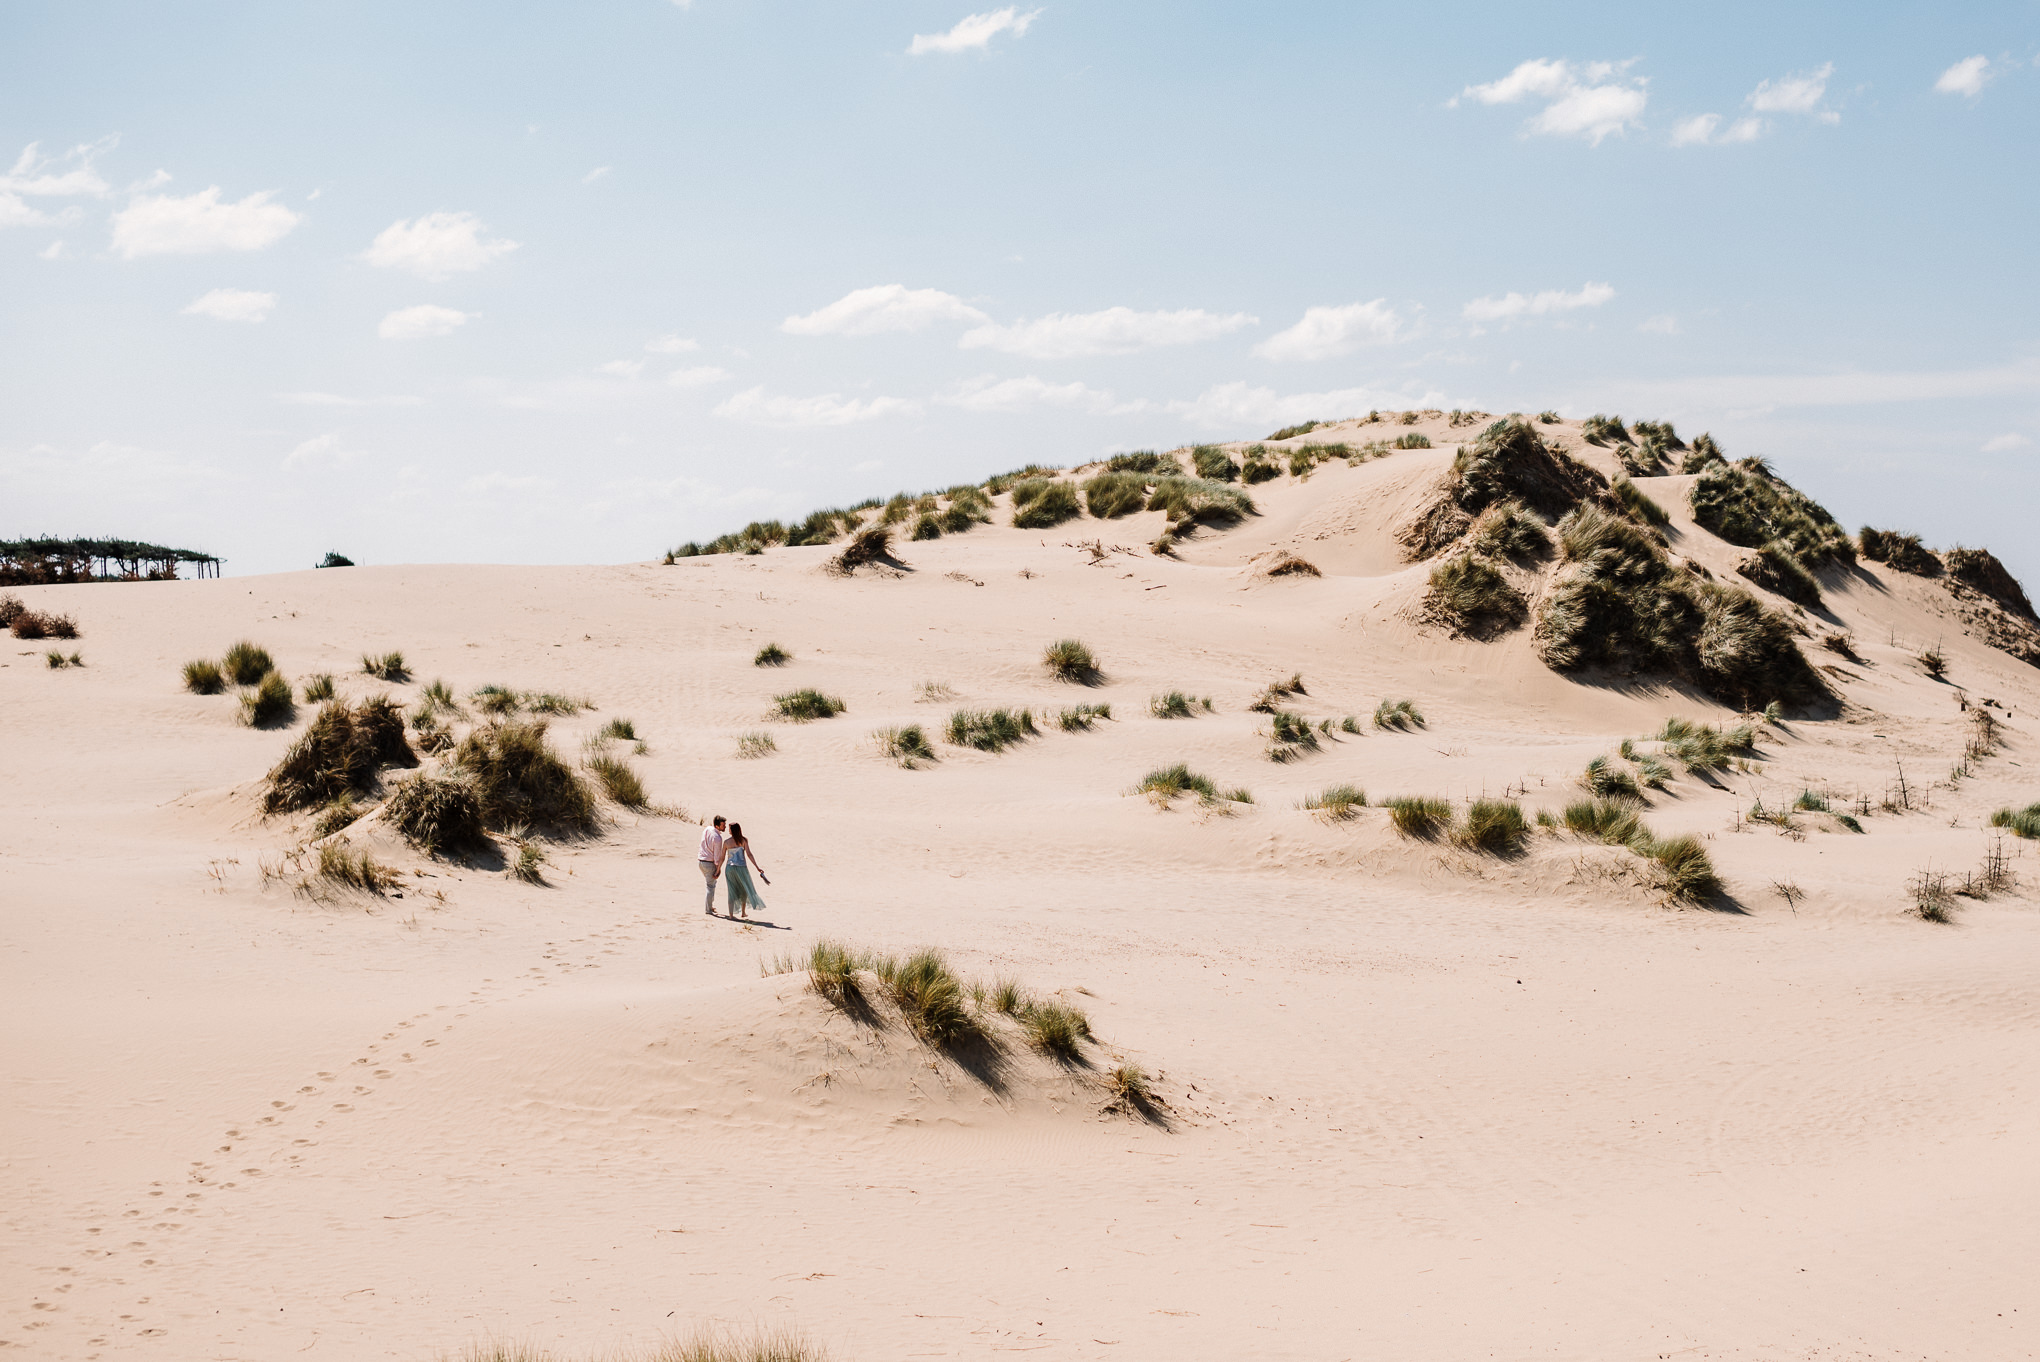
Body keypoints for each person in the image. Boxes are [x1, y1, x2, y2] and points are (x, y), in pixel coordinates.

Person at [717, 821, 769, 919]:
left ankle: (731, 915)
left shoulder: (727, 842)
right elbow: (749, 854)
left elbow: (722, 857)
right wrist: (757, 867)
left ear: (732, 831)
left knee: (731, 890)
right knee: (744, 889)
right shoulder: (744, 840)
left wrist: (718, 869)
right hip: (741, 868)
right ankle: (743, 912)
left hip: (730, 869)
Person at [697, 816, 726, 915]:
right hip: (709, 863)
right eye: (723, 825)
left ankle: (710, 906)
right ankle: (708, 910)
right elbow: (717, 856)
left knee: (711, 885)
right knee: (710, 886)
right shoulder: (717, 838)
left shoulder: (707, 829)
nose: (725, 826)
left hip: (701, 861)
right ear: (717, 826)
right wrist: (718, 869)